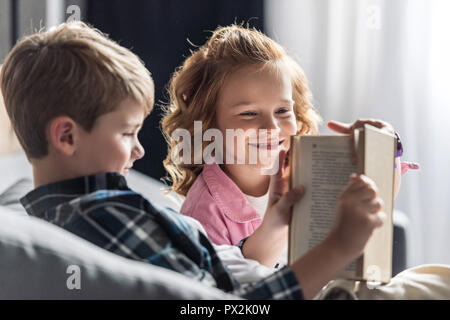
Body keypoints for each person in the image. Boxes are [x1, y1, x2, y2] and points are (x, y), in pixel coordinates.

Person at [1, 21, 386, 300]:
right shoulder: (102, 218)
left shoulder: (89, 208)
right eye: (125, 134)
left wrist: (278, 220)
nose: (139, 151)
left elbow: (225, 271)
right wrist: (339, 246)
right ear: (66, 136)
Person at [162, 24, 408, 268]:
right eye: (248, 114)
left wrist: (386, 149)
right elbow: (228, 288)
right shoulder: (204, 211)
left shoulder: (308, 164)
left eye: (282, 111)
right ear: (208, 122)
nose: (271, 128)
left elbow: (379, 200)